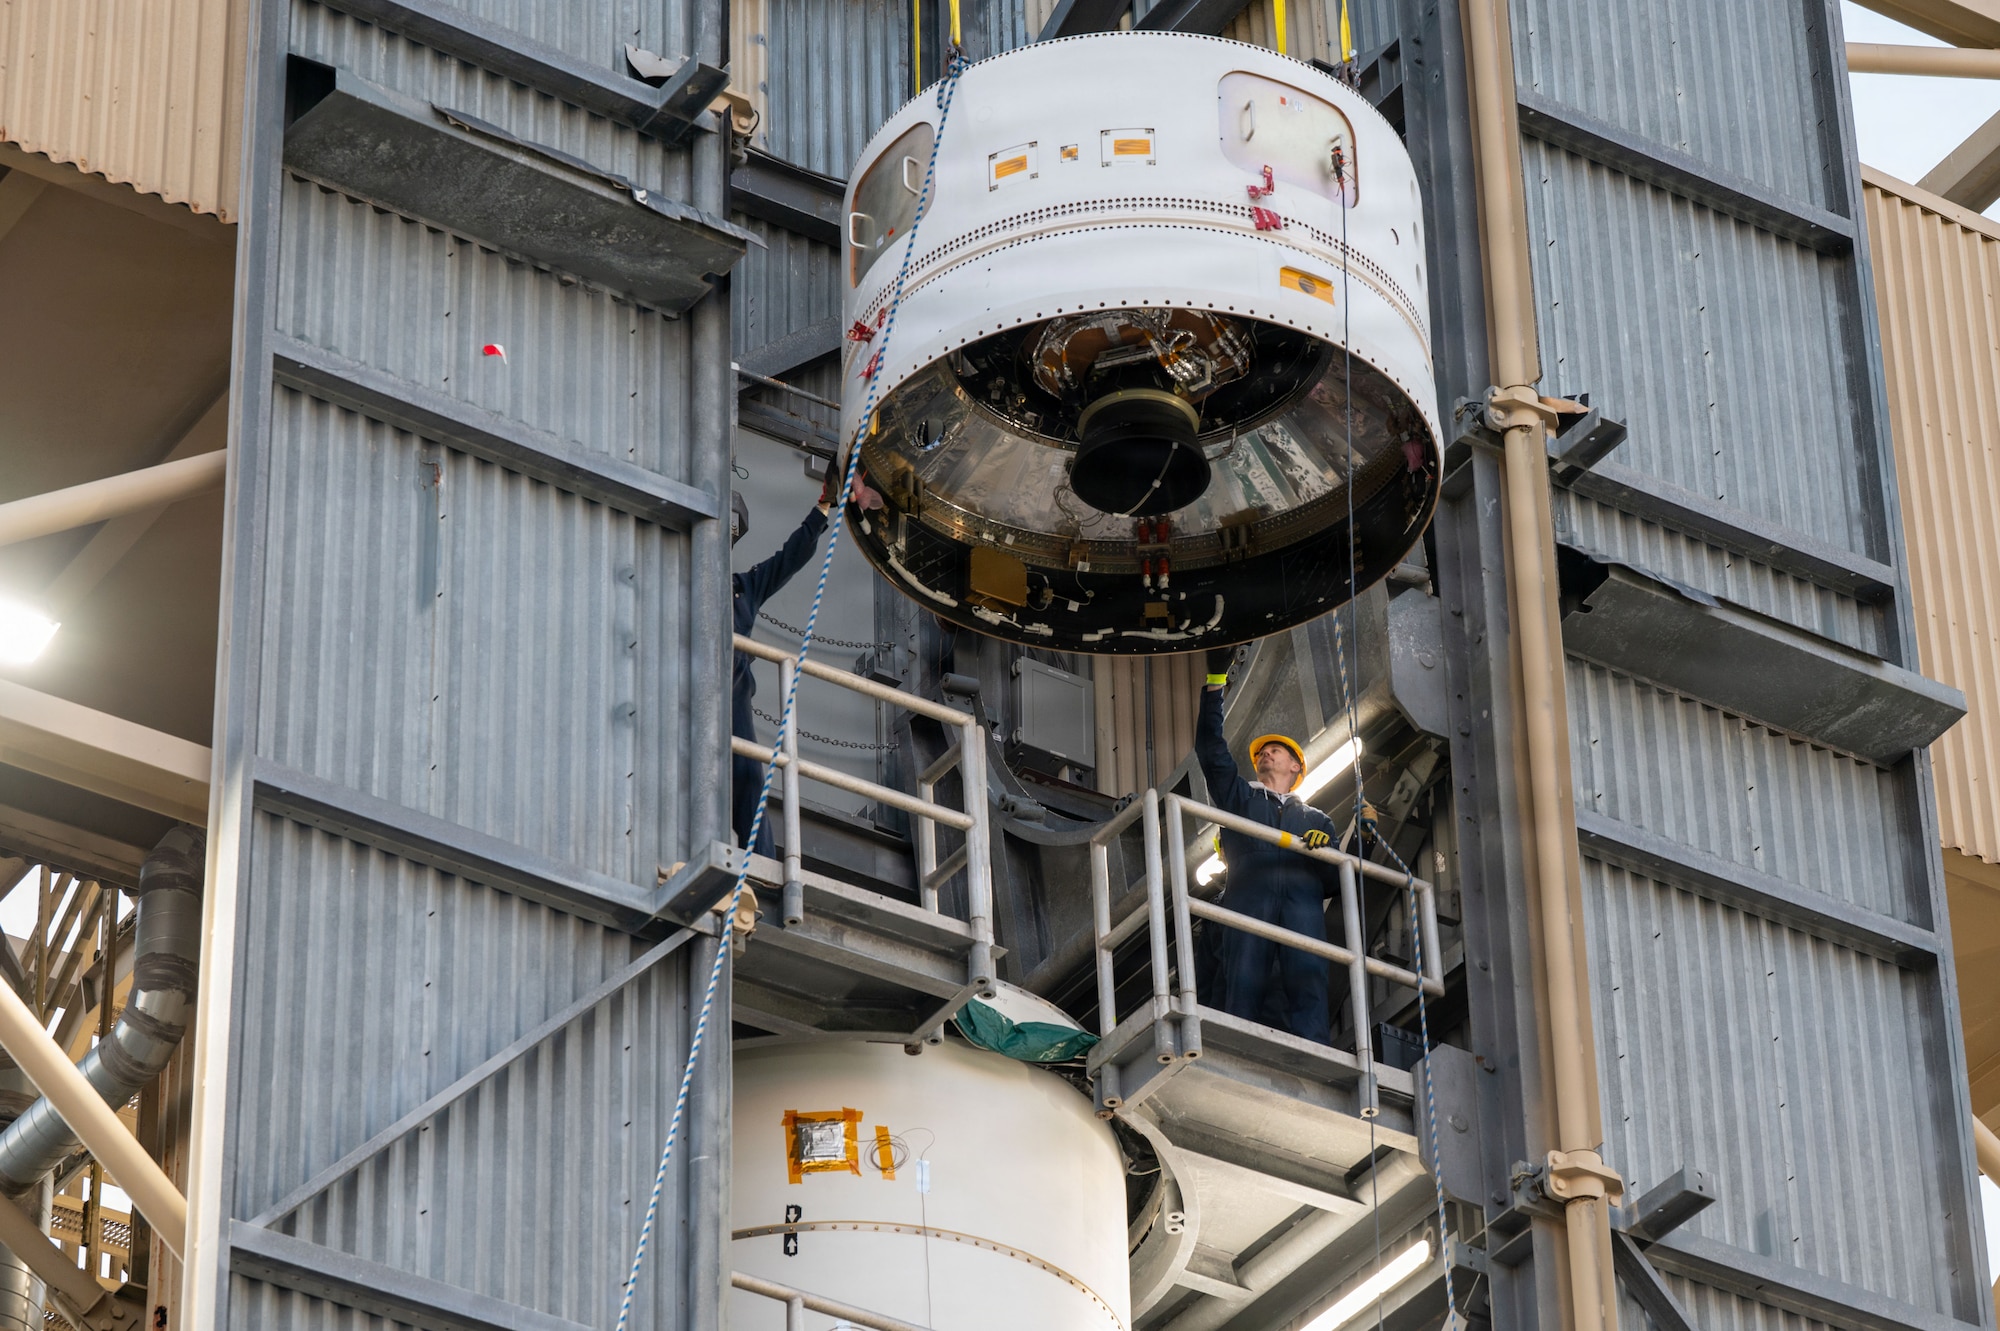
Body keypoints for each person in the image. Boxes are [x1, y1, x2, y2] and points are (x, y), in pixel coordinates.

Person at [731, 467, 881, 857]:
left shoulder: (741, 588)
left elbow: (789, 558)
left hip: (732, 696)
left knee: (749, 778)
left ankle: (759, 867)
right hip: (690, 688)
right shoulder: (678, 577)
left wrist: (824, 506)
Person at [1193, 645, 1340, 1043]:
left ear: (1296, 766)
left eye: (1275, 750)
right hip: (1249, 902)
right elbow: (1211, 751)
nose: (1265, 753)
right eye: (1261, 752)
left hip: (1302, 909)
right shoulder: (1241, 798)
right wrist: (1215, 682)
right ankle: (1234, 1050)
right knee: (1241, 980)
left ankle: (1314, 1055)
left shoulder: (1316, 821)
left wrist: (1334, 849)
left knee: (1307, 980)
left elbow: (1336, 881)